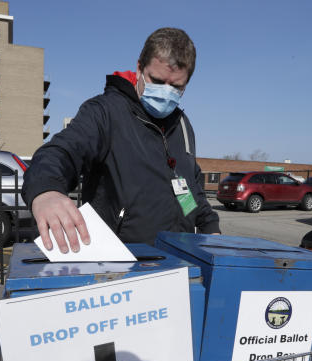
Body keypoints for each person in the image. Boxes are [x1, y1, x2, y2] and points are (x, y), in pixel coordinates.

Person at [22, 28, 220, 253]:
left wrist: (209, 226)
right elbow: (61, 151)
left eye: (175, 87)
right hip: (120, 267)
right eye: (156, 80)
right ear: (139, 68)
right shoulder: (105, 112)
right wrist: (46, 190)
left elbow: (189, 189)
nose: (165, 92)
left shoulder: (183, 126)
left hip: (177, 260)